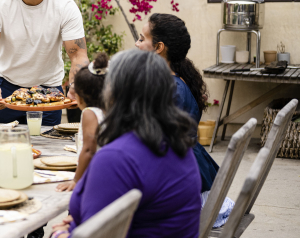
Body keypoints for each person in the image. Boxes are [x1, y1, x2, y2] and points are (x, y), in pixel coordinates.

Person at [51, 50, 201, 238]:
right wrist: (79, 223)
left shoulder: (116, 158)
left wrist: (59, 235)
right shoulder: (175, 142)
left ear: (115, 94)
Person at [136, 13, 219, 192]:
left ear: (159, 47)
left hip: (178, 181)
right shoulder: (170, 81)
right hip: (184, 170)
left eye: (142, 39)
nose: (137, 43)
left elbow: (152, 145)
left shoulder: (169, 90)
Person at [56, 53, 108, 192]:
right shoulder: (108, 111)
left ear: (79, 97)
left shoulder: (90, 113)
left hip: (93, 175)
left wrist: (76, 180)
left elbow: (89, 149)